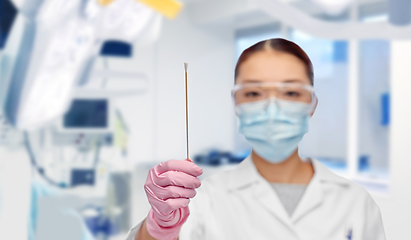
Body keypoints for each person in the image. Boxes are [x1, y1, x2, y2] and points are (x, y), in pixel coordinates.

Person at [126, 38, 386, 240]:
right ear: (236, 103)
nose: (272, 108)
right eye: (253, 93)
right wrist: (159, 226)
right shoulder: (202, 202)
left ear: (313, 104)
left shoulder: (356, 203)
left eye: (291, 92)